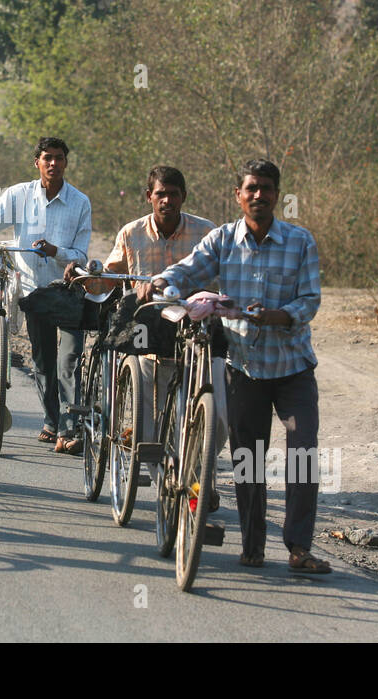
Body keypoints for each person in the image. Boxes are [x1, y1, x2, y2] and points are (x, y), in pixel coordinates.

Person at [139, 159, 328, 574]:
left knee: (303, 451)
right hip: (244, 367)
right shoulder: (222, 240)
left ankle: (298, 547)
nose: (259, 195)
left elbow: (310, 301)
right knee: (249, 457)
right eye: (251, 189)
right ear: (238, 196)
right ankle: (253, 545)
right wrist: (159, 283)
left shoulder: (300, 242)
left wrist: (278, 316)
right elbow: (187, 271)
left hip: (293, 365)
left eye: (266, 188)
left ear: (278, 195)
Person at [66, 165, 218, 451]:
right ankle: (152, 456)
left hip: (192, 333)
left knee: (206, 413)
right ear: (149, 196)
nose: (167, 201)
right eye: (161, 194)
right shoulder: (131, 234)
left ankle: (191, 467)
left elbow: (222, 280)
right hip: (148, 336)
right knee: (149, 420)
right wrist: (84, 277)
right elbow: (109, 279)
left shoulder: (206, 232)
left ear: (184, 197)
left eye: (174, 195)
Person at [0, 137, 91, 453]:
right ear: (37, 162)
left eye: (59, 158)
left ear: (66, 162)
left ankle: (70, 429)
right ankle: (53, 423)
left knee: (70, 358)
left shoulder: (80, 202)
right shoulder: (20, 196)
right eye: (47, 158)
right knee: (44, 360)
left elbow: (82, 255)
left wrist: (58, 252)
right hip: (34, 292)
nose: (53, 164)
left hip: (69, 292)